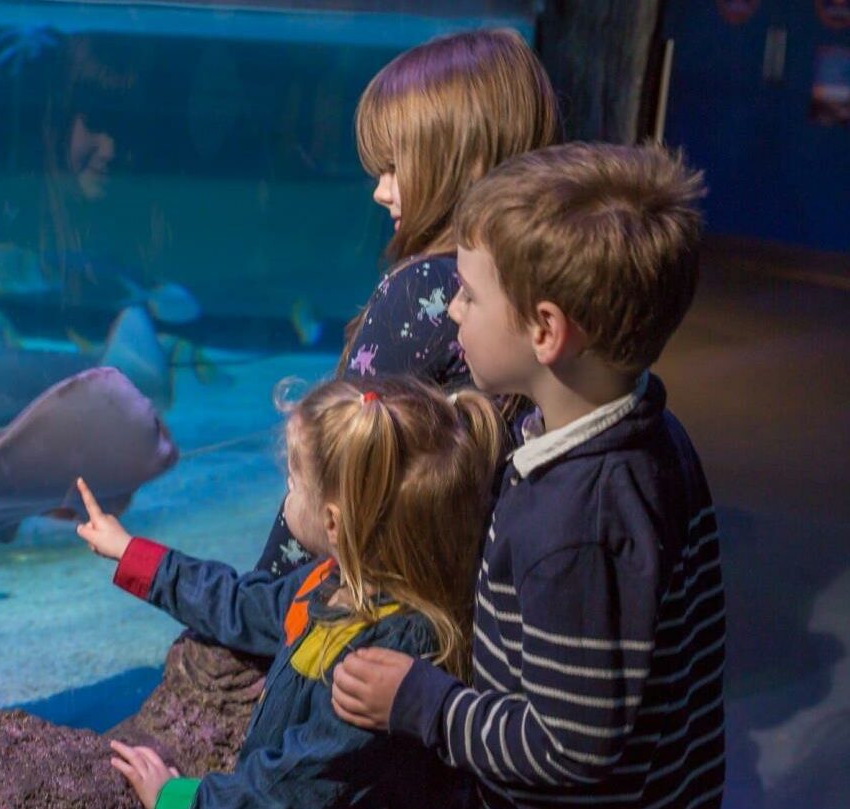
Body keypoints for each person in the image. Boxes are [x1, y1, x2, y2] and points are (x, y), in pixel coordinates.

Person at [330, 143, 726, 809]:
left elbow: (567, 746)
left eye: (469, 294)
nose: (453, 310)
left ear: (545, 329)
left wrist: (421, 702)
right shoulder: (652, 434)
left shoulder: (578, 522)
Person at [75, 375, 504, 808]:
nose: (288, 495)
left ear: (333, 522)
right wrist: (134, 555)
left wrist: (179, 798)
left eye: (295, 484)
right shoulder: (328, 582)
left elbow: (294, 789)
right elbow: (239, 604)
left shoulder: (385, 655)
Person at [254, 27, 560, 577]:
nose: (380, 190)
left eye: (396, 166)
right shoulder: (532, 286)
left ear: (464, 162)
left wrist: (251, 607)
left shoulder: (426, 287)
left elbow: (331, 470)